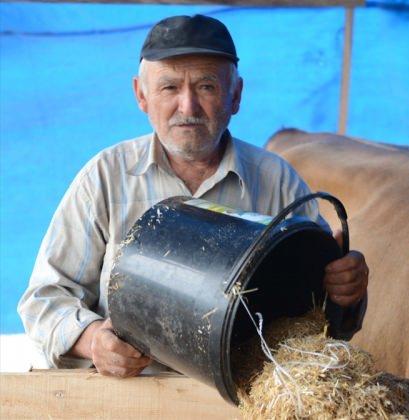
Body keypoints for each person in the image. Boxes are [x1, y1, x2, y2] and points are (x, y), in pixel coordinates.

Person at [17, 14, 369, 378]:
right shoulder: (105, 178)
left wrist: (345, 292)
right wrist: (93, 341)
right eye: (169, 88)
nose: (188, 107)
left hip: (241, 402)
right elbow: (43, 301)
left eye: (206, 87)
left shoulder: (276, 181)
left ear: (235, 95)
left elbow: (321, 324)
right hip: (127, 400)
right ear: (141, 95)